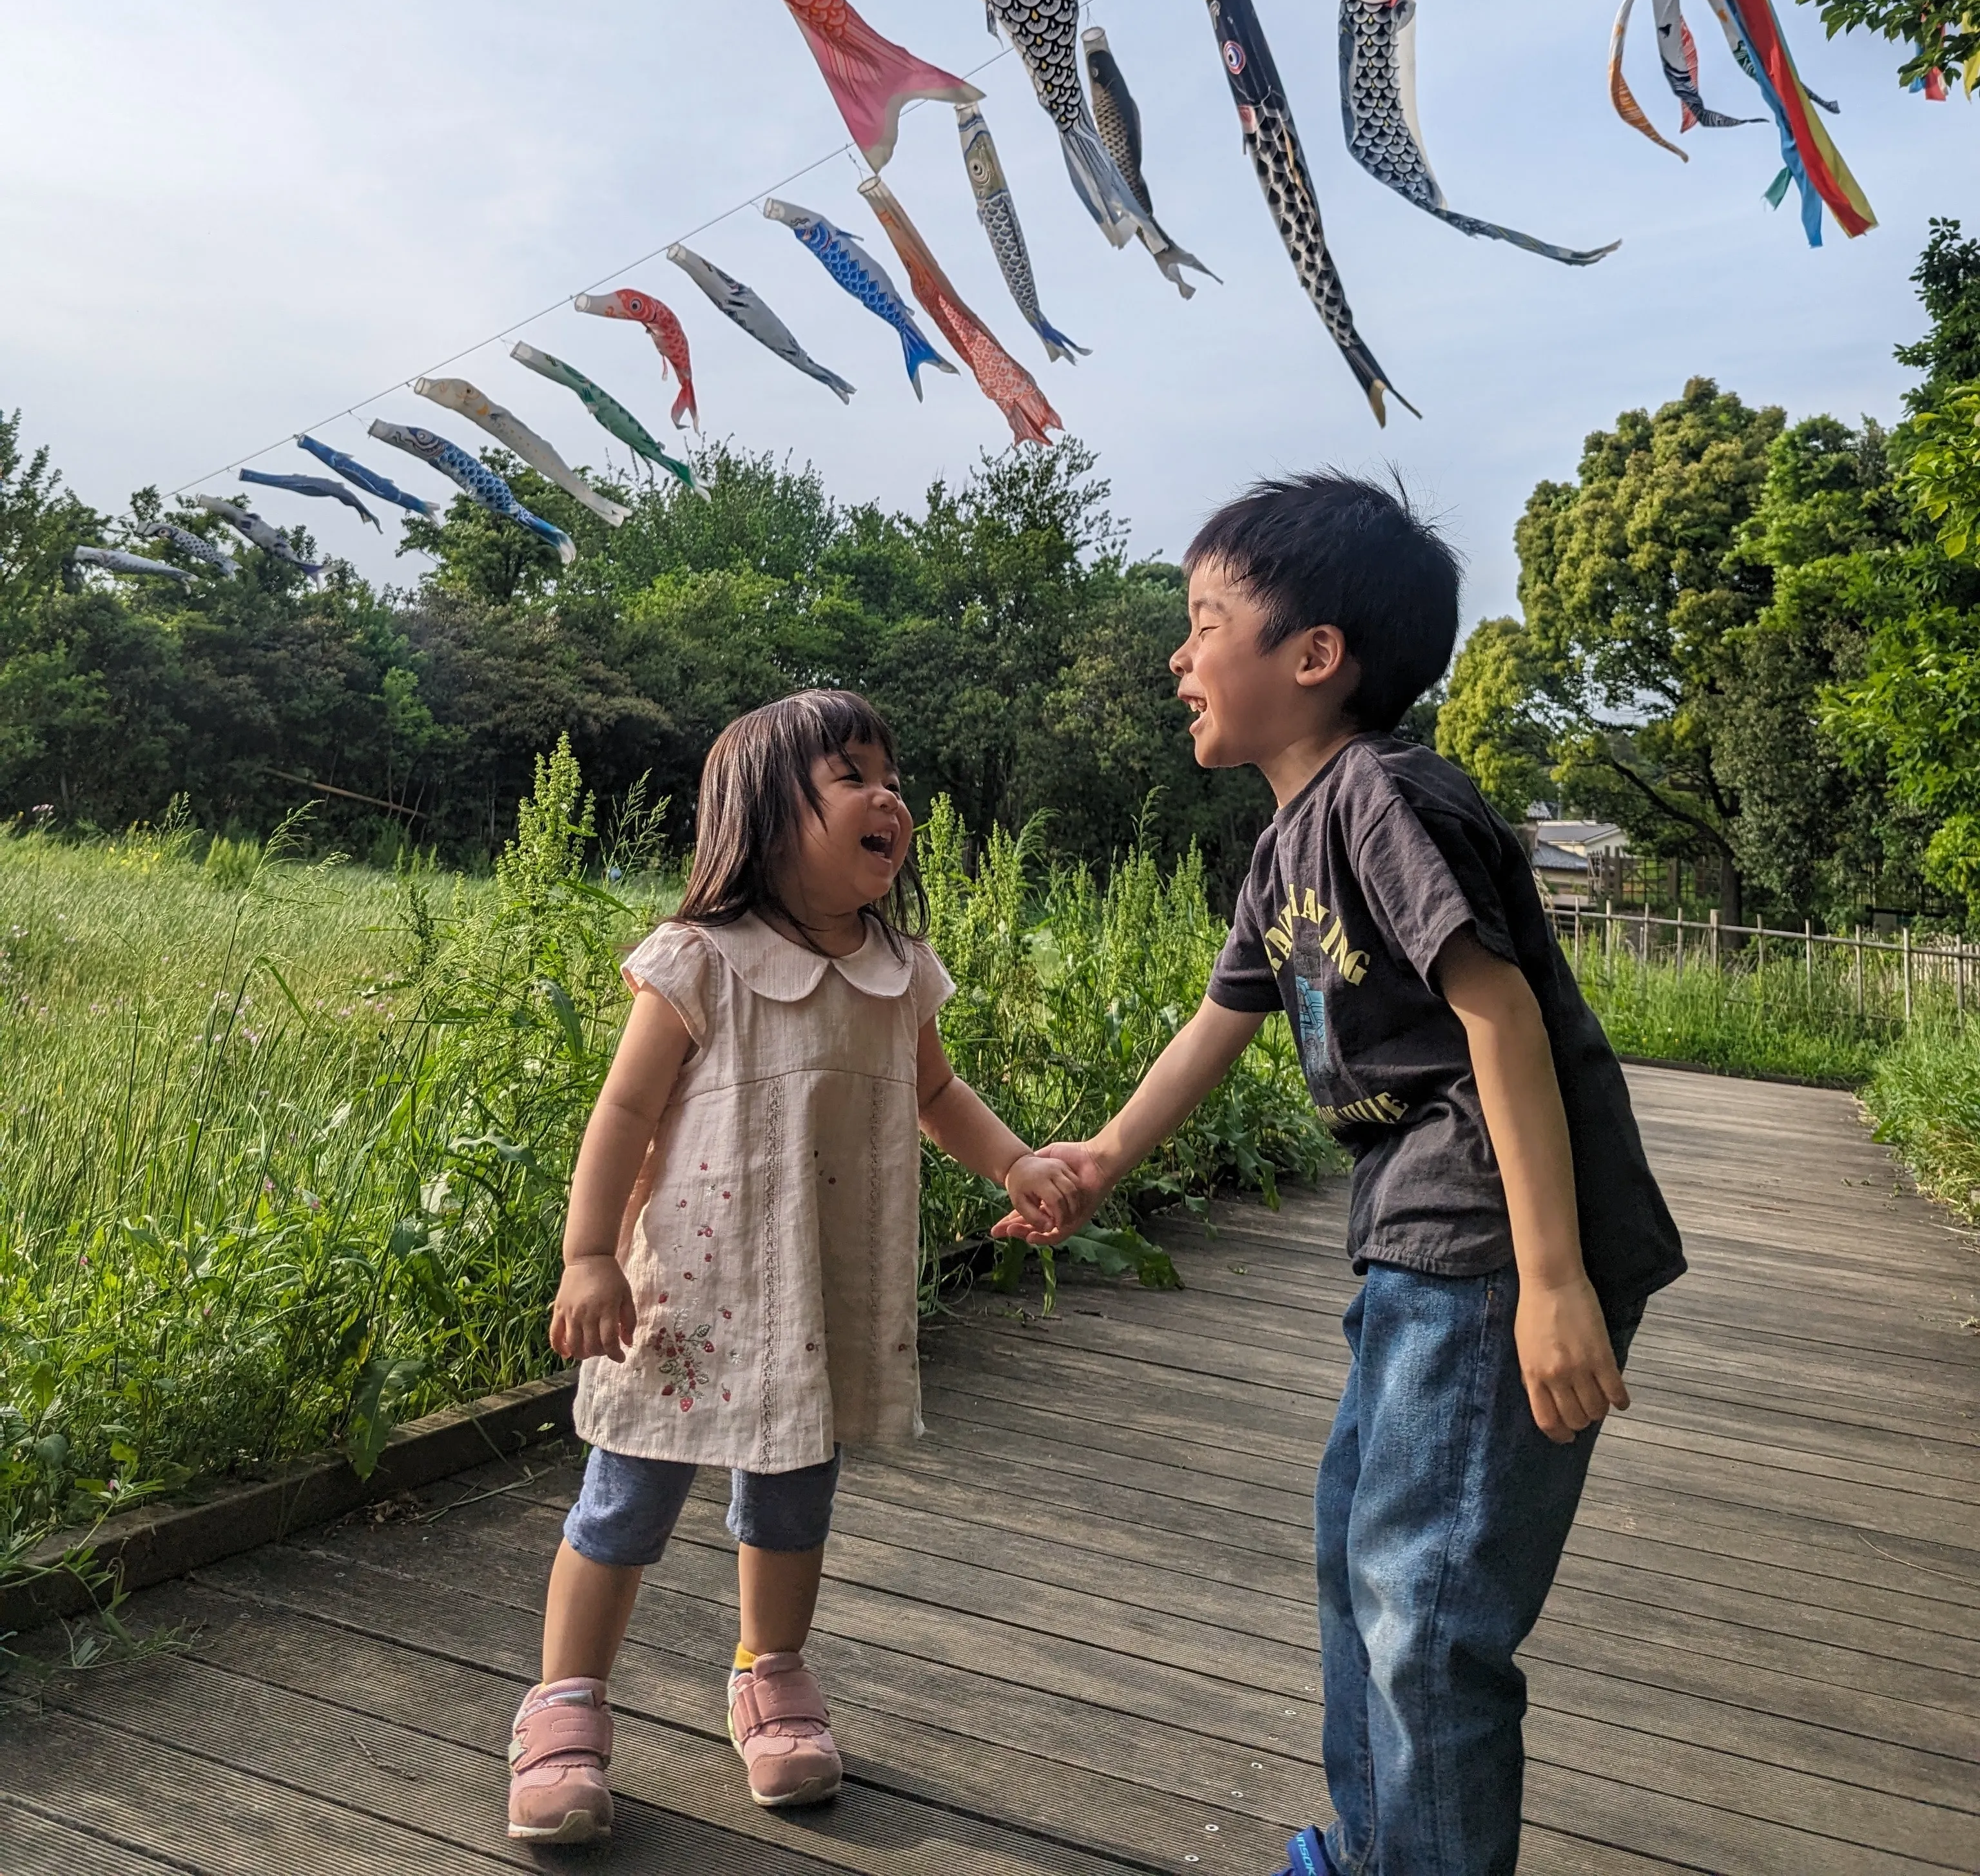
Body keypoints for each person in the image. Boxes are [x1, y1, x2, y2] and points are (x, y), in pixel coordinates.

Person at [996, 472, 1684, 1876]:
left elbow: (1499, 1014)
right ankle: (1378, 1851)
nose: (1178, 658)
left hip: (1489, 1239)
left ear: (1315, 656)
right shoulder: (1287, 840)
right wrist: (1103, 1159)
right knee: (1358, 1567)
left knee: (1428, 1612)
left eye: (1204, 623)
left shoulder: (1384, 796)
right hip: (1412, 1240)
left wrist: (1553, 1282)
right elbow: (1220, 1020)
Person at [508, 687, 1077, 1847]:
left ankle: (769, 1675)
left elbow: (934, 1095)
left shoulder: (900, 970)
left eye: (892, 777)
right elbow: (623, 1110)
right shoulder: (701, 961)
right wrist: (586, 1254)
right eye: (854, 777)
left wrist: (1016, 1162)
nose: (890, 798)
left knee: (791, 1499)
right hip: (685, 1295)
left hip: (820, 1295)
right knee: (625, 1500)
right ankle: (565, 1704)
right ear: (767, 820)